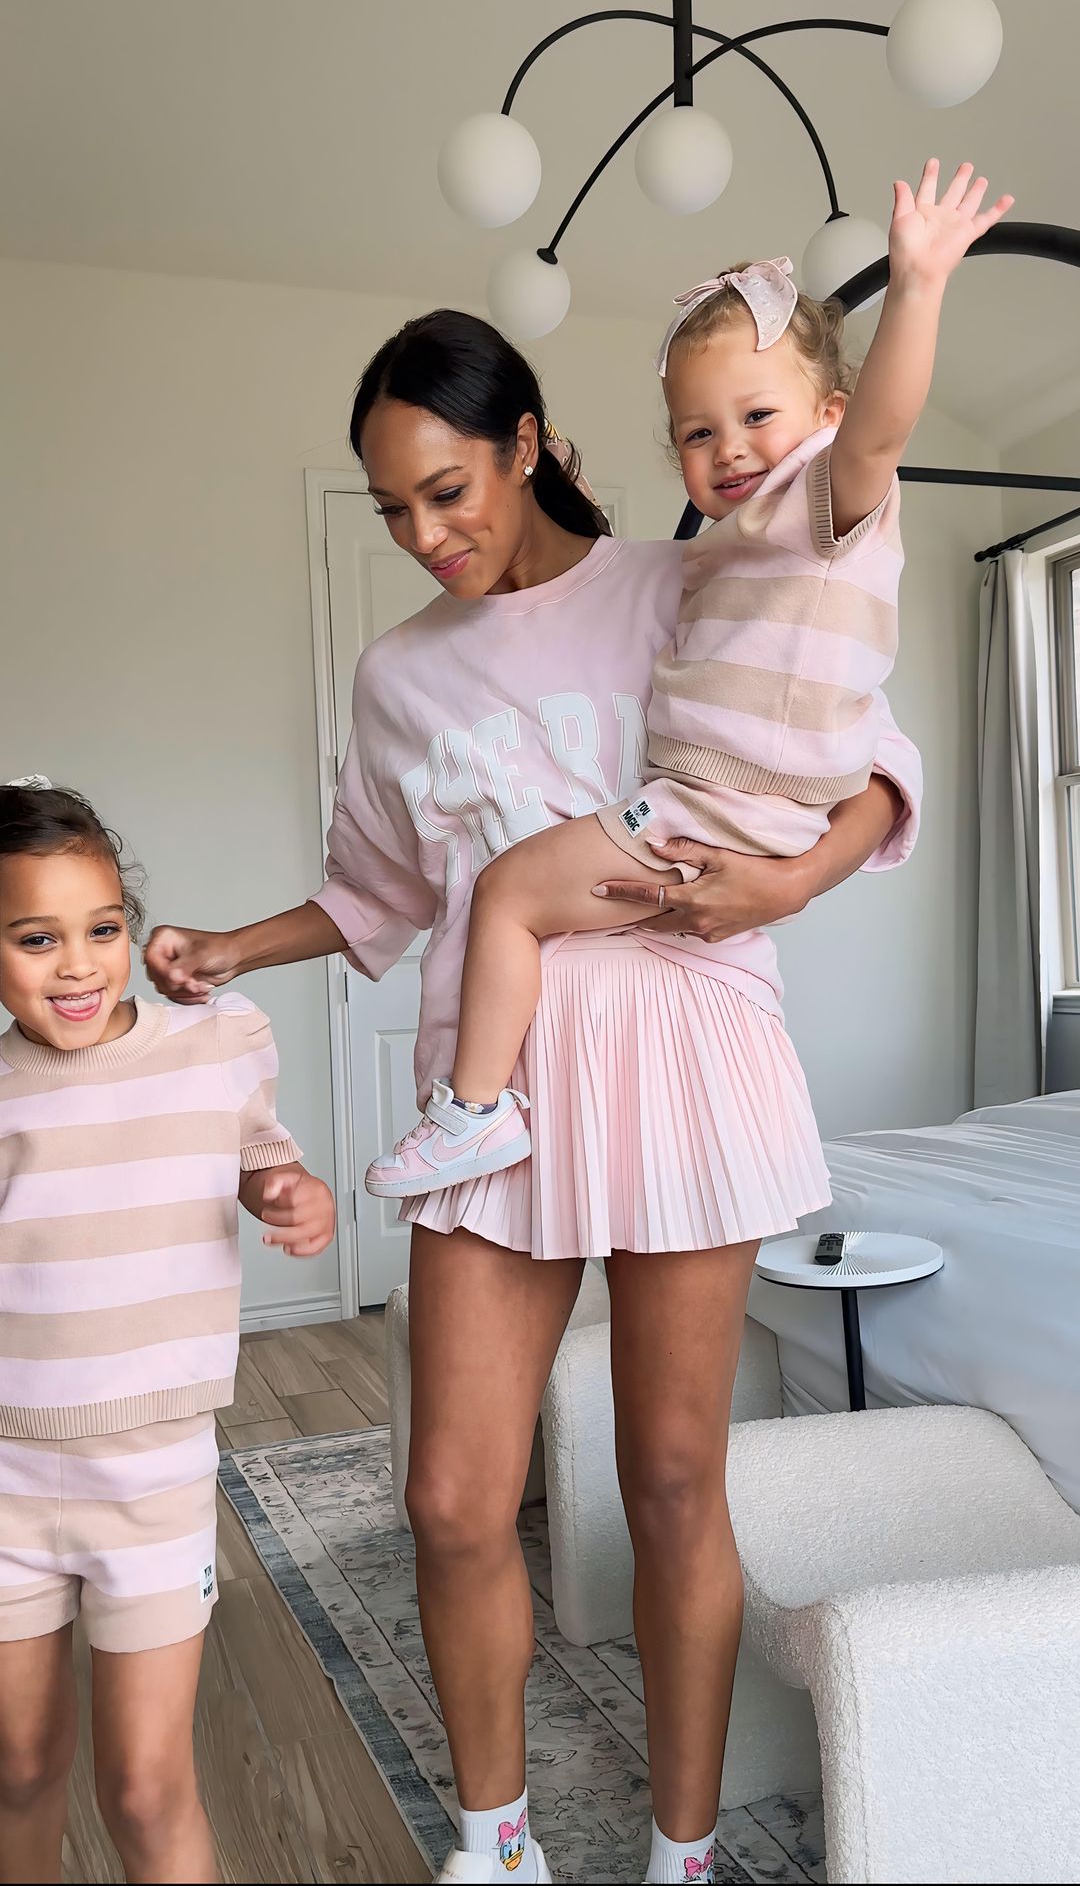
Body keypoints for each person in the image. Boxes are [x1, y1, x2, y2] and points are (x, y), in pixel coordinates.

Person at [144, 307, 921, 1885]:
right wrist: (230, 944)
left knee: (674, 1480)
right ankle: (497, 1846)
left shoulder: (688, 577)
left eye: (448, 491)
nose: (427, 535)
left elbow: (863, 751)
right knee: (449, 1496)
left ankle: (681, 1849)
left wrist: (785, 884)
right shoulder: (395, 675)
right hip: (489, 1094)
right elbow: (375, 892)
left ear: (525, 445)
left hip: (685, 1050)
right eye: (394, 509)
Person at [365, 158, 1012, 1202]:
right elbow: (375, 888)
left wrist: (920, 285)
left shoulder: (823, 512)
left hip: (716, 812)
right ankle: (478, 1107)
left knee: (510, 891)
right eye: (698, 433)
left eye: (759, 417)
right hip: (721, 812)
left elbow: (885, 429)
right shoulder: (716, 559)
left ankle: (471, 1112)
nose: (731, 450)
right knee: (508, 894)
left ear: (829, 416)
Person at [0, 779, 334, 1886]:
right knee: (17, 1766)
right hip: (4, 1475)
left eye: (102, 929)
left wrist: (289, 1192)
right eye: (35, 938)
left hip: (152, 1471)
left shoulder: (215, 1041)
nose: (77, 966)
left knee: (146, 1787)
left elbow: (260, 1156)